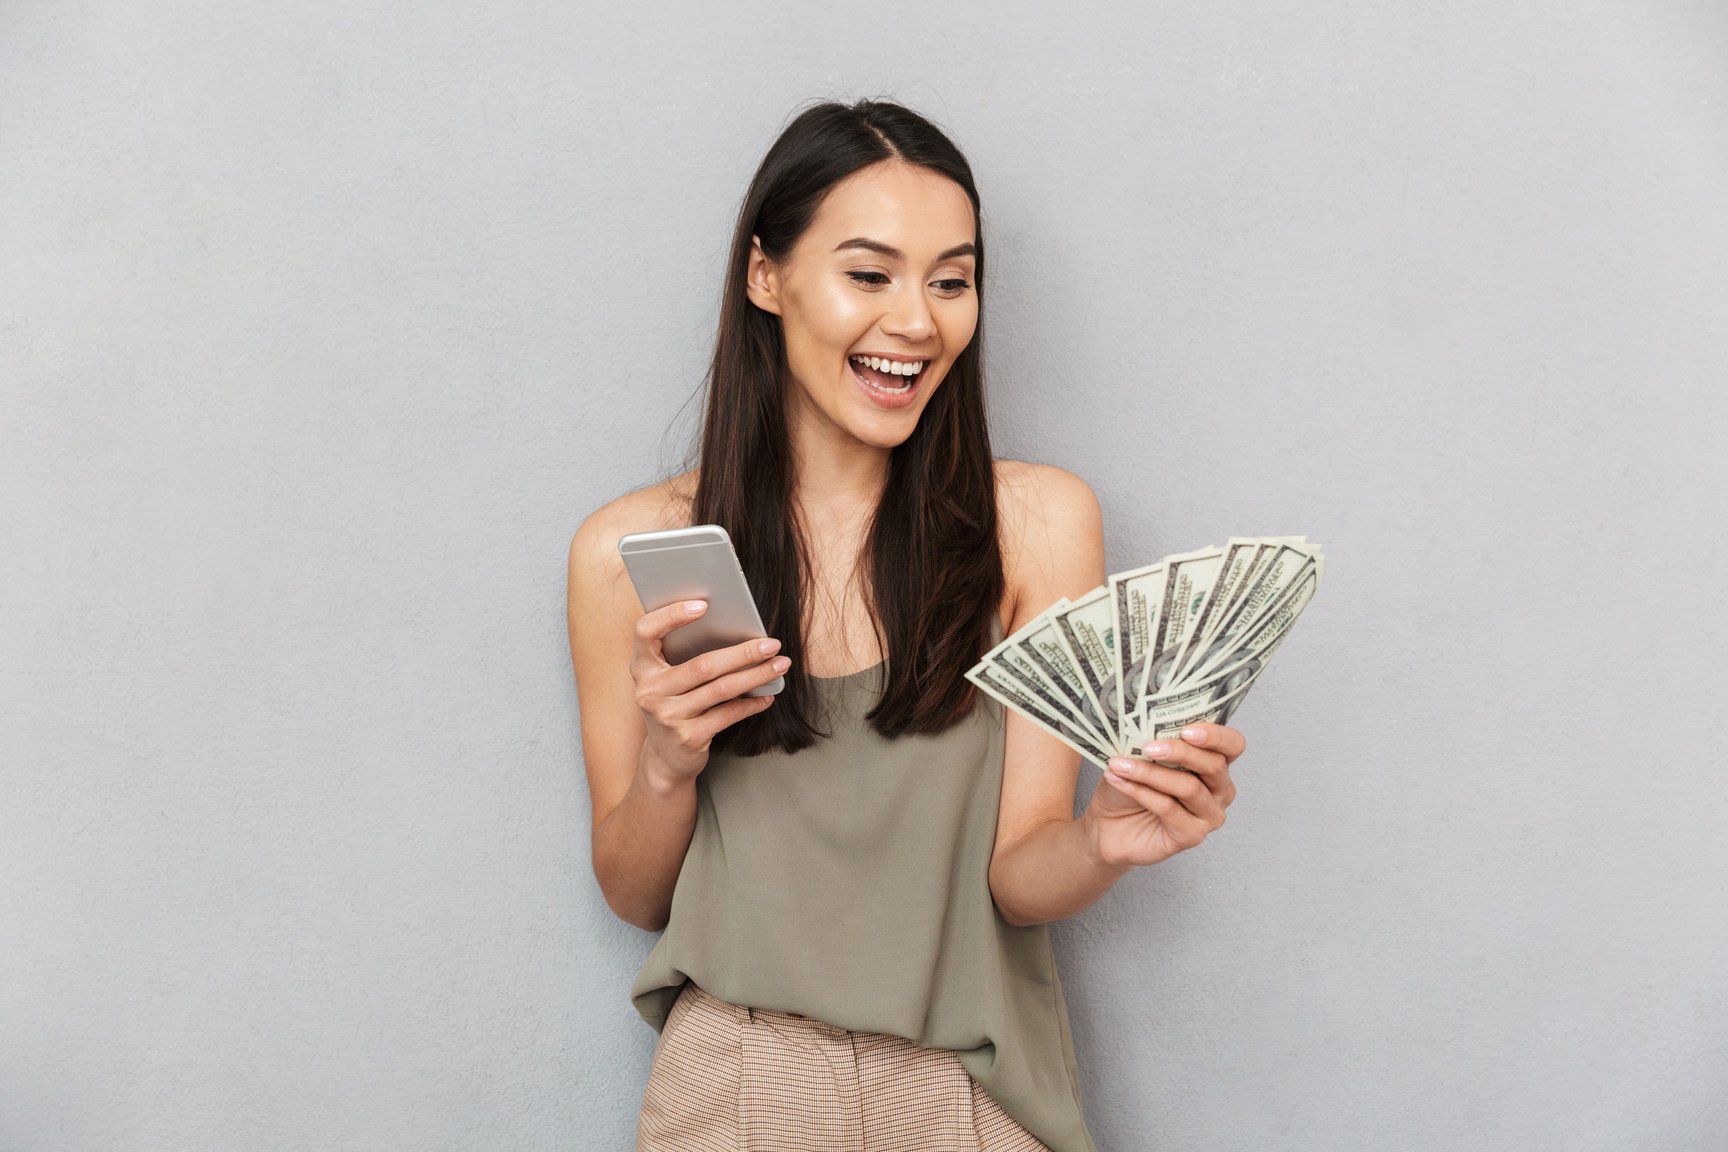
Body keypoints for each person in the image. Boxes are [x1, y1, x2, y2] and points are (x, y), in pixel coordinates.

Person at [566, 98, 1247, 1152]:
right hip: (739, 1080)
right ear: (766, 277)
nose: (918, 322)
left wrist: (1106, 842)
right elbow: (633, 892)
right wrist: (667, 762)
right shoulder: (631, 548)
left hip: (970, 1092)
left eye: (951, 279)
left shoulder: (1037, 524)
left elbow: (1020, 876)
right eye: (870, 274)